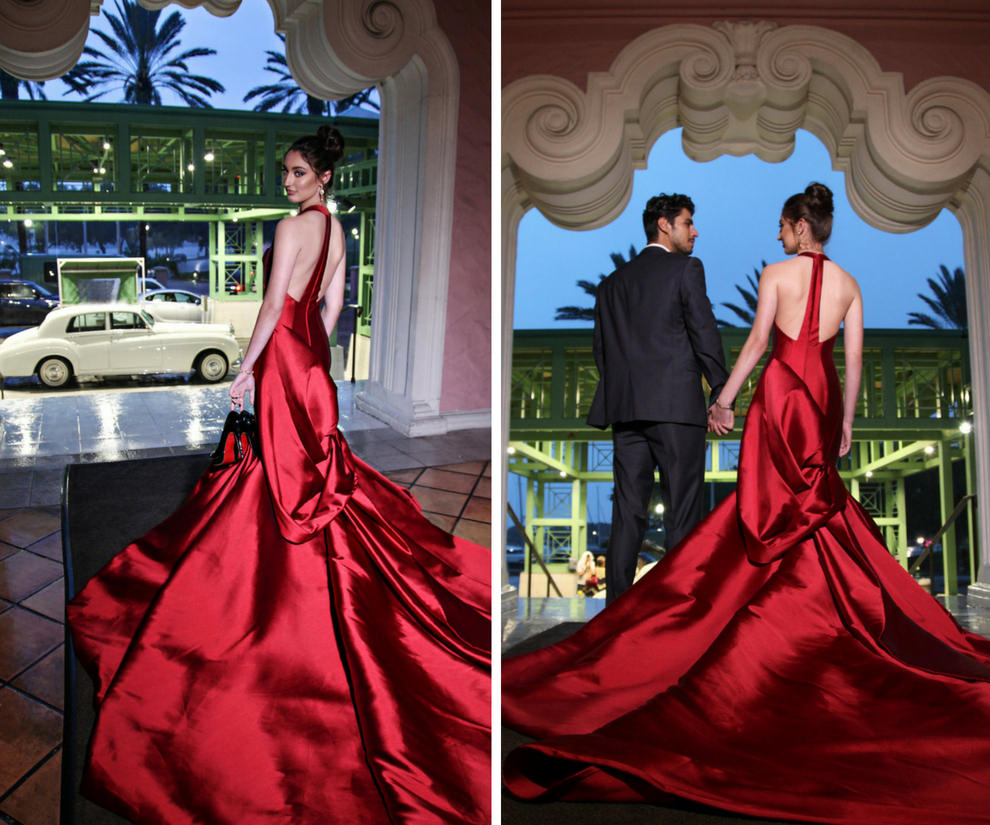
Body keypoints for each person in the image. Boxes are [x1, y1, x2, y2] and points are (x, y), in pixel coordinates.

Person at [502, 183, 990, 825]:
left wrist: (726, 397)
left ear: (795, 226)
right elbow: (854, 357)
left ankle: (675, 616)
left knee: (740, 511)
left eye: (782, 227)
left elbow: (758, 344)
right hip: (816, 399)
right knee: (815, 508)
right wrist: (842, 422)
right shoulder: (849, 284)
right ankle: (815, 612)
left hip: (776, 395)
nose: (777, 236)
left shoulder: (768, 274)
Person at [67, 126, 491, 825]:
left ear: (321, 177)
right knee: (304, 471)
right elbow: (332, 305)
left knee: (276, 473)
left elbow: (271, 307)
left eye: (298, 173)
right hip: (314, 360)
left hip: (285, 360)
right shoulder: (339, 230)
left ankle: (262, 587)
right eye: (286, 172)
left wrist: (247, 368)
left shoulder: (291, 228)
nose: (288, 182)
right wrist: (313, 356)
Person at [587, 193, 728, 603]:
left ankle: (615, 611)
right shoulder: (687, 269)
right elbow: (704, 332)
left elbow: (602, 350)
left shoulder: (611, 284)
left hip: (626, 414)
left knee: (626, 513)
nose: (695, 231)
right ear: (665, 225)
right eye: (688, 222)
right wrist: (720, 392)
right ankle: (677, 609)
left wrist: (626, 394)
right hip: (676, 411)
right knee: (682, 513)